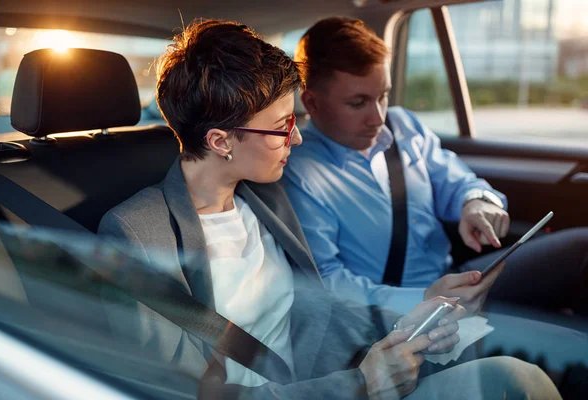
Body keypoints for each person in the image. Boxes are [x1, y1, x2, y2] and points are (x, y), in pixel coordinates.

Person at [97, 19, 560, 399]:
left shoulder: (264, 198)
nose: (297, 139)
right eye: (282, 126)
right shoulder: (138, 233)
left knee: (521, 378)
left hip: (341, 380)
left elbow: (318, 310)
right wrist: (360, 384)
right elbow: (179, 393)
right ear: (221, 142)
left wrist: (413, 316)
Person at [282, 17, 588, 319]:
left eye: (383, 96)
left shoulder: (402, 126)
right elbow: (327, 283)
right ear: (312, 103)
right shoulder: (299, 171)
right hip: (393, 317)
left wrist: (475, 202)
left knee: (581, 248)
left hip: (455, 280)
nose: (377, 117)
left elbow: (457, 181)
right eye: (358, 102)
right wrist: (424, 300)